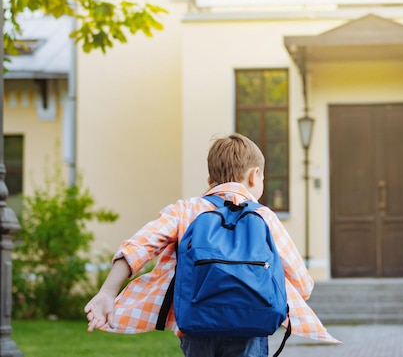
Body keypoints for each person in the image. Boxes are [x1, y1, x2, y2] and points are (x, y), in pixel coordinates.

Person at [84, 133, 338, 357]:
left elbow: (140, 245)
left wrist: (108, 292)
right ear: (255, 176)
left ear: (209, 180)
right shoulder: (265, 217)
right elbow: (302, 284)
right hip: (249, 326)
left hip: (196, 325)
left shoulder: (185, 210)